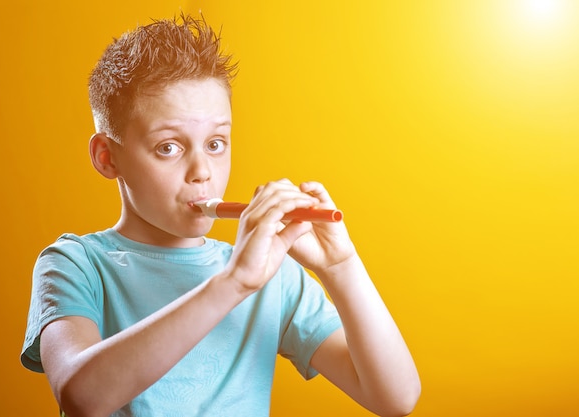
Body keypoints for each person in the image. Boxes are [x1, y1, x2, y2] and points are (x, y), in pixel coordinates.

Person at [21, 13, 420, 417]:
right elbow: (81, 397)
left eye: (215, 144)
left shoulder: (270, 273)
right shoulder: (75, 264)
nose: (202, 172)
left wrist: (341, 267)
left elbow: (395, 399)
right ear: (107, 157)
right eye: (168, 148)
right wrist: (231, 284)